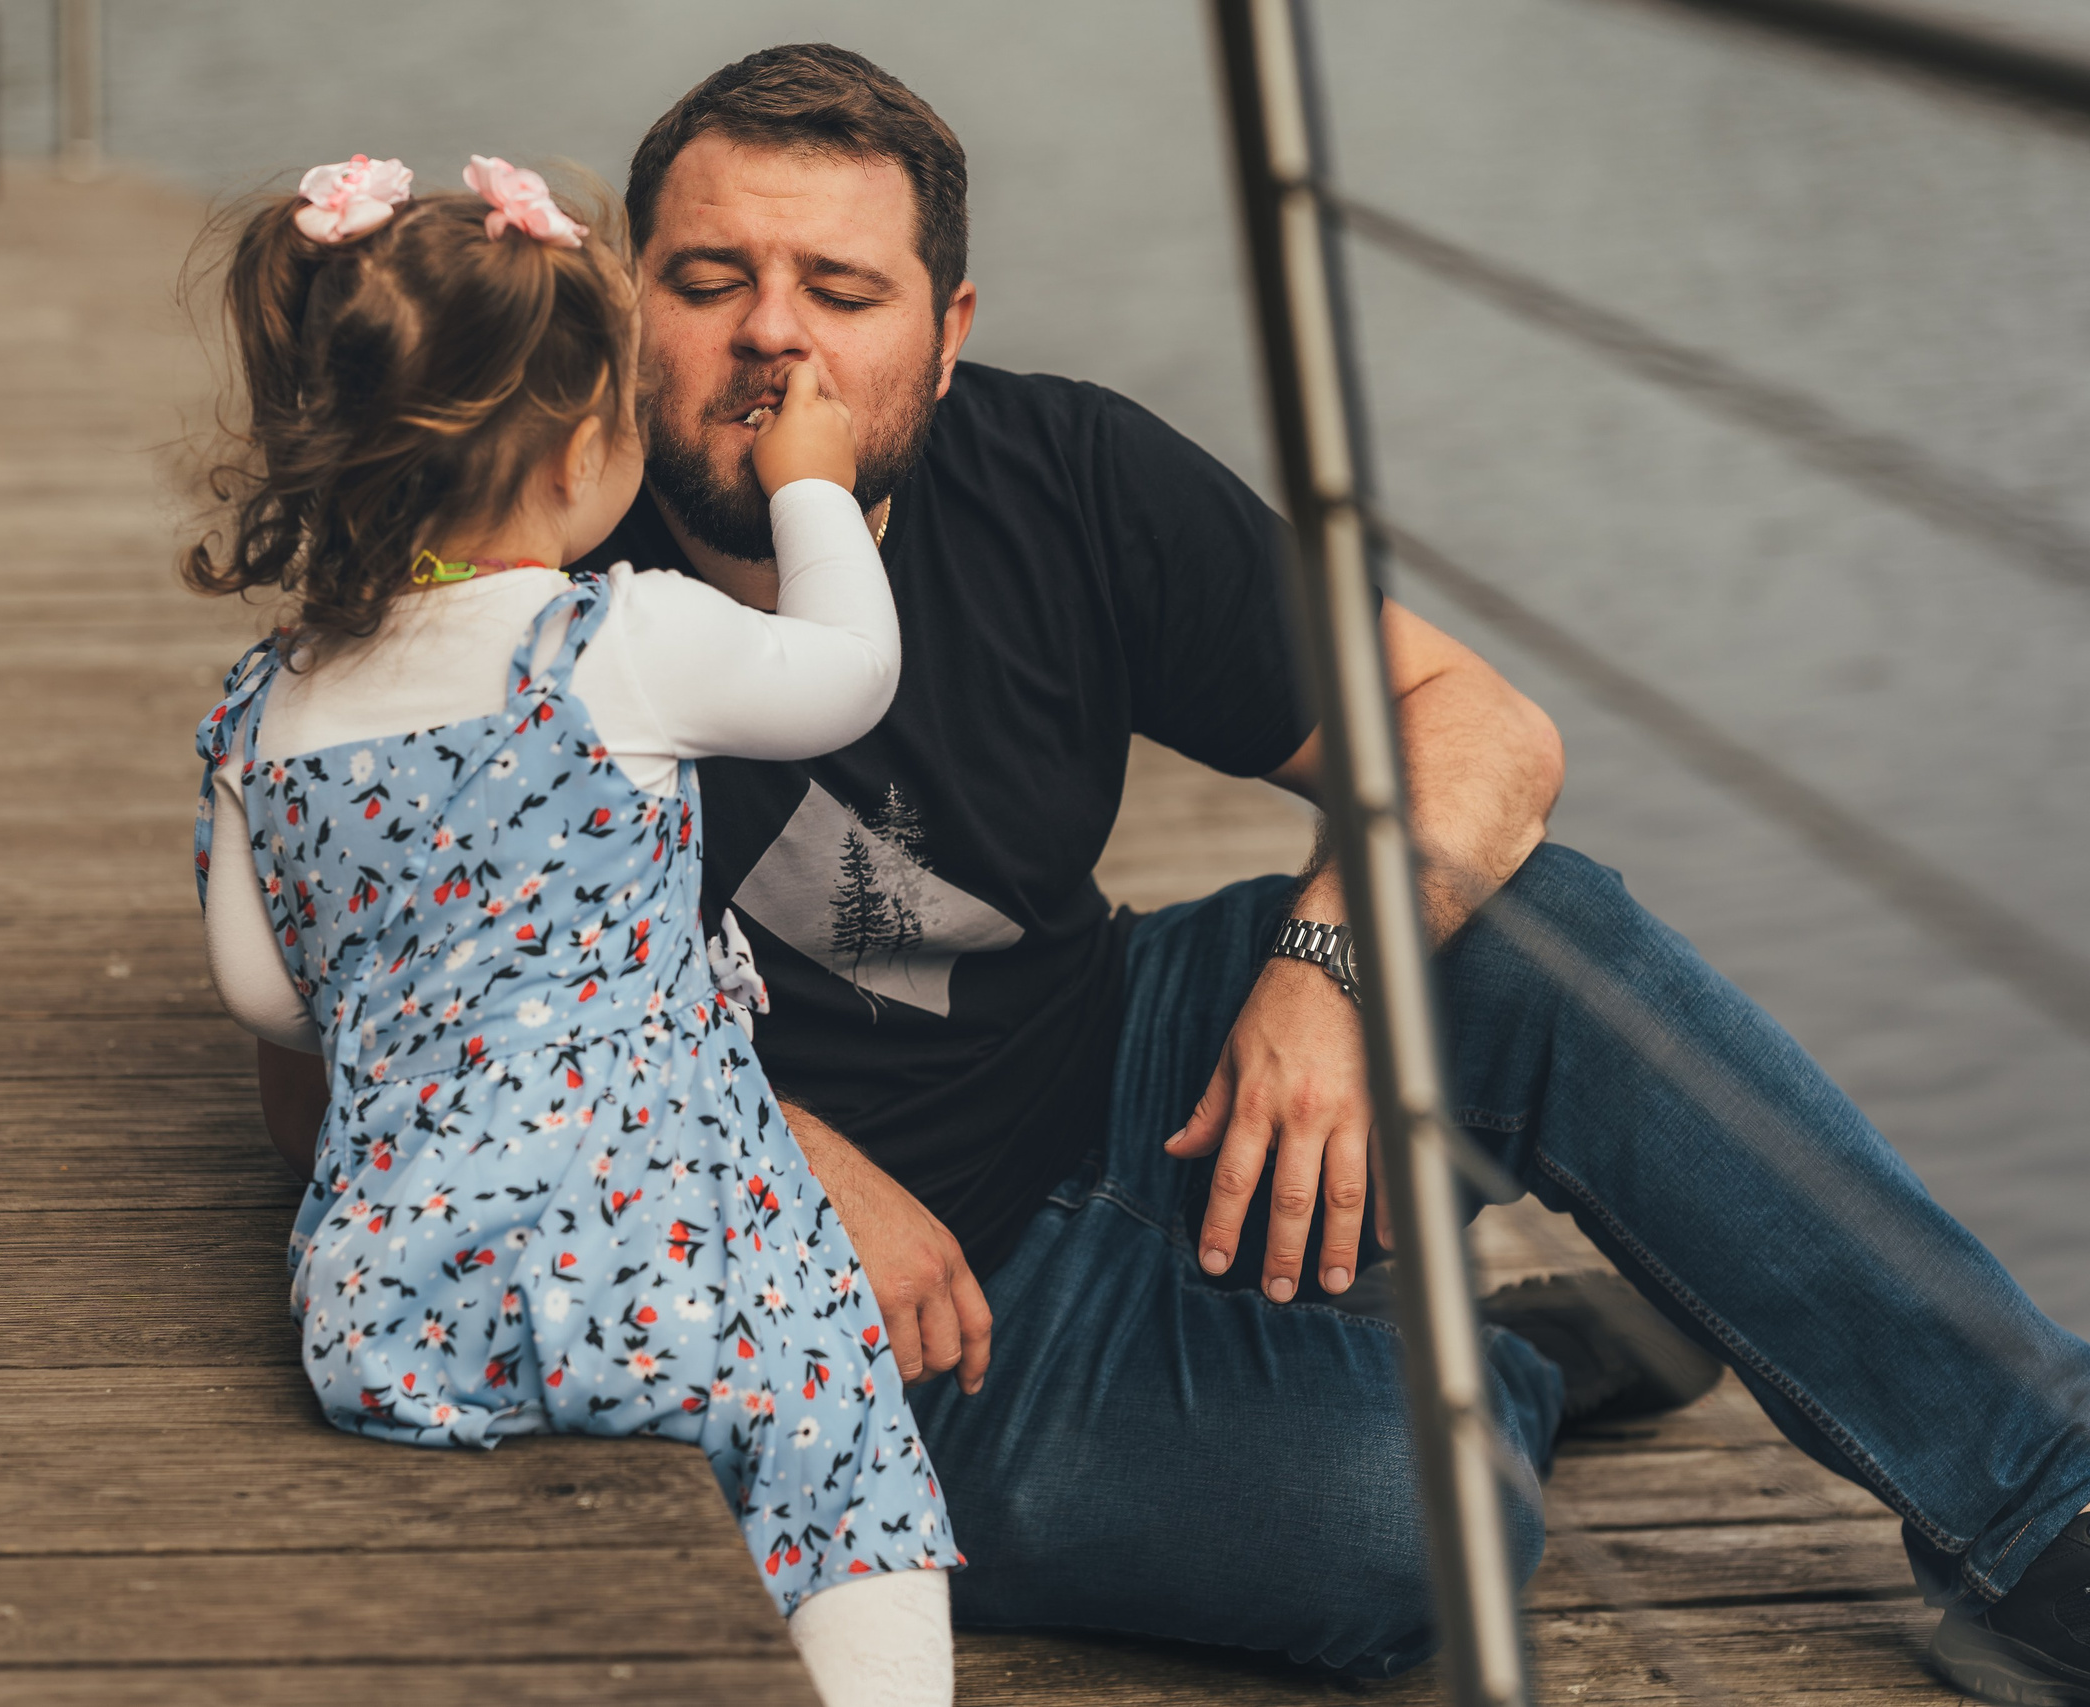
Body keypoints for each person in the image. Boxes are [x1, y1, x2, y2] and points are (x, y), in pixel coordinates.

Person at [253, 51, 2090, 1703]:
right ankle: (1494, 1374)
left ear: (945, 329)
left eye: (843, 290)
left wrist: (1323, 972)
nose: (774, 344)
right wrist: (778, 1166)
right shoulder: (496, 590)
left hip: (1135, 1081)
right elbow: (357, 1038)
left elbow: (1472, 723)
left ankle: (2043, 1516)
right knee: (1410, 1535)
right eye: (711, 280)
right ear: (622, 303)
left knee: (1543, 940)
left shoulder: (1066, 473)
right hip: (845, 1306)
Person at [188, 155, 957, 1707]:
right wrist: (811, 480)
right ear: (575, 454)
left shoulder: (262, 716)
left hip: (394, 1293)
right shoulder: (612, 640)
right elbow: (849, 673)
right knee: (836, 1449)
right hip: (677, 1250)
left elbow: (269, 1003)